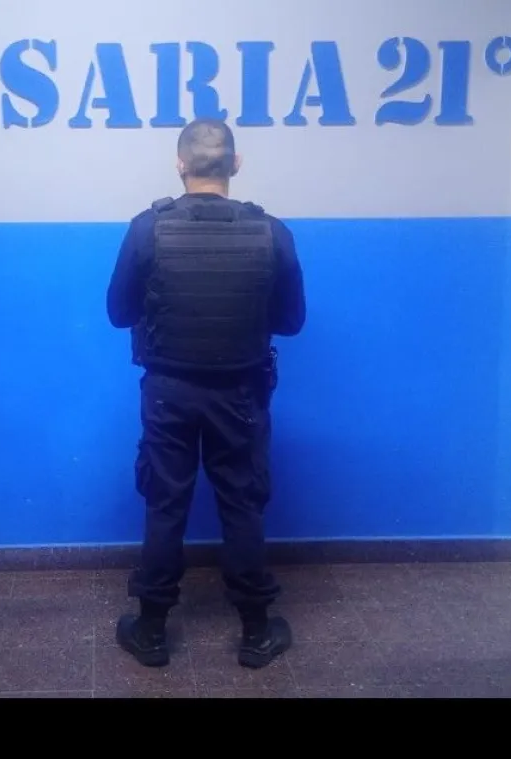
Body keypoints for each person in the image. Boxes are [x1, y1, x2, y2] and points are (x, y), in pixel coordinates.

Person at [106, 119, 306, 669]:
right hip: (241, 392)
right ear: (235, 165)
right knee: (242, 504)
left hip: (169, 390)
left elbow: (118, 312)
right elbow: (291, 322)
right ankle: (256, 631)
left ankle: (149, 631)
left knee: (165, 502)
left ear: (180, 164)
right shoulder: (272, 232)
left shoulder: (148, 228)